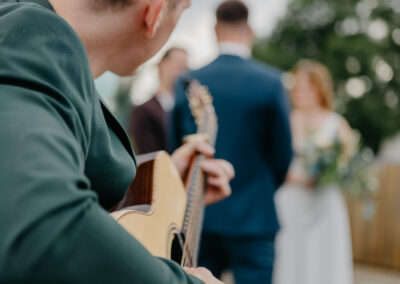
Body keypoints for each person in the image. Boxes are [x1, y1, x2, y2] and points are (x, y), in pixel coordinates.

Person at [0, 0, 235, 283]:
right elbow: (40, 224)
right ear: (154, 14)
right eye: (182, 11)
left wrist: (165, 187)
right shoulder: (34, 35)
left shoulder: (37, 42)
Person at [170, 1, 293, 283]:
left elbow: (176, 149)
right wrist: (259, 189)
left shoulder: (188, 82)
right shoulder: (271, 83)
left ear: (215, 29)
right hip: (255, 217)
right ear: (249, 30)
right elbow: (283, 155)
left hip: (201, 218)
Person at [273, 60, 354, 284]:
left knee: (325, 257)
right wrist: (296, 179)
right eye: (297, 87)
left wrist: (329, 173)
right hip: (291, 200)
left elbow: (347, 163)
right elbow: (273, 161)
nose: (302, 92)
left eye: (308, 87)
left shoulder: (336, 123)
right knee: (290, 257)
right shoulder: (285, 120)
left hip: (324, 202)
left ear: (320, 89)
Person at [129, 47, 188, 154]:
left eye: (185, 67)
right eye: (178, 65)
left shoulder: (186, 109)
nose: (183, 72)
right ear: (162, 65)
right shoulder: (143, 111)